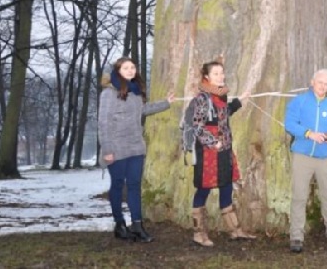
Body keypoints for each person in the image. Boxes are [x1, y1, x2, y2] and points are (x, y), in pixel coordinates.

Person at [98, 56, 175, 242]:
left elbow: (143, 110)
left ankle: (138, 226)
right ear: (118, 71)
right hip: (115, 148)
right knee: (117, 185)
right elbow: (103, 122)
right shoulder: (109, 93)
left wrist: (166, 103)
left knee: (134, 186)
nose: (131, 70)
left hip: (136, 147)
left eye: (133, 67)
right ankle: (119, 224)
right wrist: (107, 149)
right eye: (126, 68)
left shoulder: (135, 92)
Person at [284, 68, 327, 253]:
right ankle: (296, 236)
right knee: (299, 196)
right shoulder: (299, 101)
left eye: (326, 84)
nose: (323, 86)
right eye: (320, 82)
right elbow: (289, 124)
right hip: (302, 155)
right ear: (312, 81)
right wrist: (309, 134)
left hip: (325, 157)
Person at [190, 58, 255, 246]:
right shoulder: (201, 98)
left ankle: (235, 230)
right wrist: (213, 142)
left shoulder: (220, 96)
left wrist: (239, 102)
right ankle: (198, 233)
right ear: (207, 77)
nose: (221, 76)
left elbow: (223, 114)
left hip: (224, 152)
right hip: (208, 154)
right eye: (216, 74)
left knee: (226, 187)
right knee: (203, 190)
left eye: (222, 73)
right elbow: (197, 127)